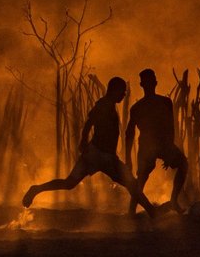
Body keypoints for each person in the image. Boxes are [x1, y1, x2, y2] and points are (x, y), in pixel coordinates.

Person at [22, 76, 154, 215]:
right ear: (114, 90)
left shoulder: (107, 105)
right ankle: (152, 212)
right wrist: (83, 140)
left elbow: (89, 123)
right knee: (131, 183)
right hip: (100, 155)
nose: (124, 95)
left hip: (99, 155)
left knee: (70, 183)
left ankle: (36, 189)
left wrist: (85, 141)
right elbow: (89, 122)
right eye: (122, 91)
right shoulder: (103, 105)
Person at [126, 67, 188, 214]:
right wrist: (128, 157)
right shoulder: (137, 108)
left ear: (155, 83)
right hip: (147, 146)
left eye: (151, 81)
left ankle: (173, 200)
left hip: (163, 144)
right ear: (142, 85)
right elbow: (129, 133)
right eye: (146, 82)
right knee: (142, 176)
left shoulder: (165, 102)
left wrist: (170, 148)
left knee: (183, 164)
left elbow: (171, 126)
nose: (148, 85)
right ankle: (132, 210)